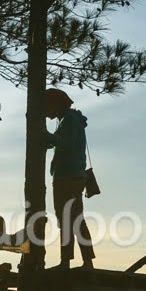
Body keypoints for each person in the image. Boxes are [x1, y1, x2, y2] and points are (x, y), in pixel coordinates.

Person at [45, 88, 95, 269]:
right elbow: (59, 141)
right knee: (72, 218)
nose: (46, 113)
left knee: (69, 219)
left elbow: (63, 143)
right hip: (71, 176)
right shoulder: (69, 120)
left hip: (67, 177)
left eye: (47, 107)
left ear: (56, 104)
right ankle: (81, 261)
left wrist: (43, 135)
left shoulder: (68, 120)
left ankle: (71, 262)